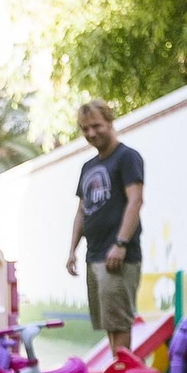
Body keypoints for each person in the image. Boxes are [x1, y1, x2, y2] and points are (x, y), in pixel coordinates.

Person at [64, 100, 145, 358]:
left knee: (119, 322)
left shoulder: (126, 157)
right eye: (85, 129)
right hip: (94, 255)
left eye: (96, 126)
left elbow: (135, 200)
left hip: (118, 254)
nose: (91, 134)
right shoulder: (87, 167)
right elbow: (81, 211)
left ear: (110, 122)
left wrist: (120, 244)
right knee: (108, 323)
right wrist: (72, 251)